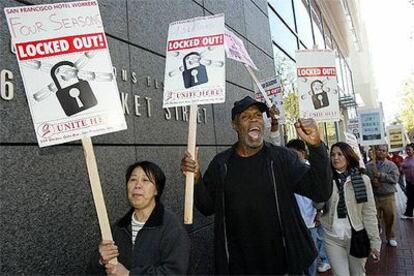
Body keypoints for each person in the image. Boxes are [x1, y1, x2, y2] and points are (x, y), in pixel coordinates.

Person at [181, 96, 332, 274]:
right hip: (239, 267)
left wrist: (316, 147)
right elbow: (206, 207)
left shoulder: (282, 158)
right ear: (235, 125)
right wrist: (196, 179)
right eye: (246, 116)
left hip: (284, 265)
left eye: (258, 115)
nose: (254, 119)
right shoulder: (221, 164)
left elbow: (320, 191)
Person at [89, 161, 190, 275]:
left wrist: (129, 274)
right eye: (133, 180)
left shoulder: (172, 228)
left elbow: (176, 272)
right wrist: (99, 261)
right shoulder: (118, 228)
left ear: (156, 190)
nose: (137, 185)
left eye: (145, 180)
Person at [320, 142, 381, 276]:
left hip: (357, 237)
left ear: (348, 156)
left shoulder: (363, 179)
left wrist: (375, 242)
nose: (335, 158)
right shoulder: (326, 179)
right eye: (332, 155)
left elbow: (369, 213)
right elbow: (317, 206)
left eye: (340, 154)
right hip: (332, 237)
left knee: (358, 273)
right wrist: (320, 189)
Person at [286, 139, 318, 276]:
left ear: (303, 153)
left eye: (294, 153)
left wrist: (319, 213)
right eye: (288, 153)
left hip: (310, 221)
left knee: (312, 254)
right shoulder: (287, 171)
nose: (291, 156)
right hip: (293, 223)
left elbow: (320, 196)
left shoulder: (311, 171)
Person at [366, 145, 400, 247]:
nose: (381, 152)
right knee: (374, 218)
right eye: (379, 150)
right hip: (374, 196)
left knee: (390, 217)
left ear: (386, 153)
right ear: (375, 151)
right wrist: (372, 182)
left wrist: (382, 176)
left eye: (383, 150)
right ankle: (375, 238)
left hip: (388, 196)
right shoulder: (368, 166)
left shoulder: (391, 165)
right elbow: (365, 180)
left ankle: (391, 237)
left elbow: (395, 179)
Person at [401, 143, 414, 219]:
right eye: (407, 150)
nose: (407, 151)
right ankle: (408, 214)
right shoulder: (406, 159)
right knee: (410, 197)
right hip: (409, 182)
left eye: (409, 149)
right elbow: (402, 168)